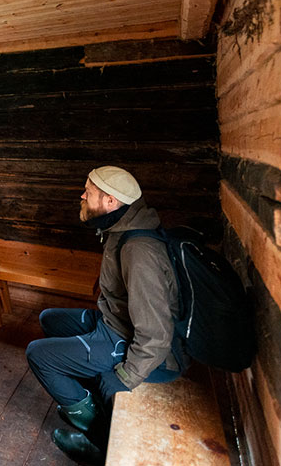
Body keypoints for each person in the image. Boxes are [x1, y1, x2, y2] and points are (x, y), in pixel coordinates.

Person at [25, 166, 186, 465]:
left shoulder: (139, 250)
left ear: (111, 201)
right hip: (113, 321)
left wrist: (126, 376)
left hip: (137, 346)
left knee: (38, 354)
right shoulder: (119, 226)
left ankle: (97, 438)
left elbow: (156, 332)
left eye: (89, 191)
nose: (82, 195)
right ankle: (84, 398)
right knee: (50, 318)